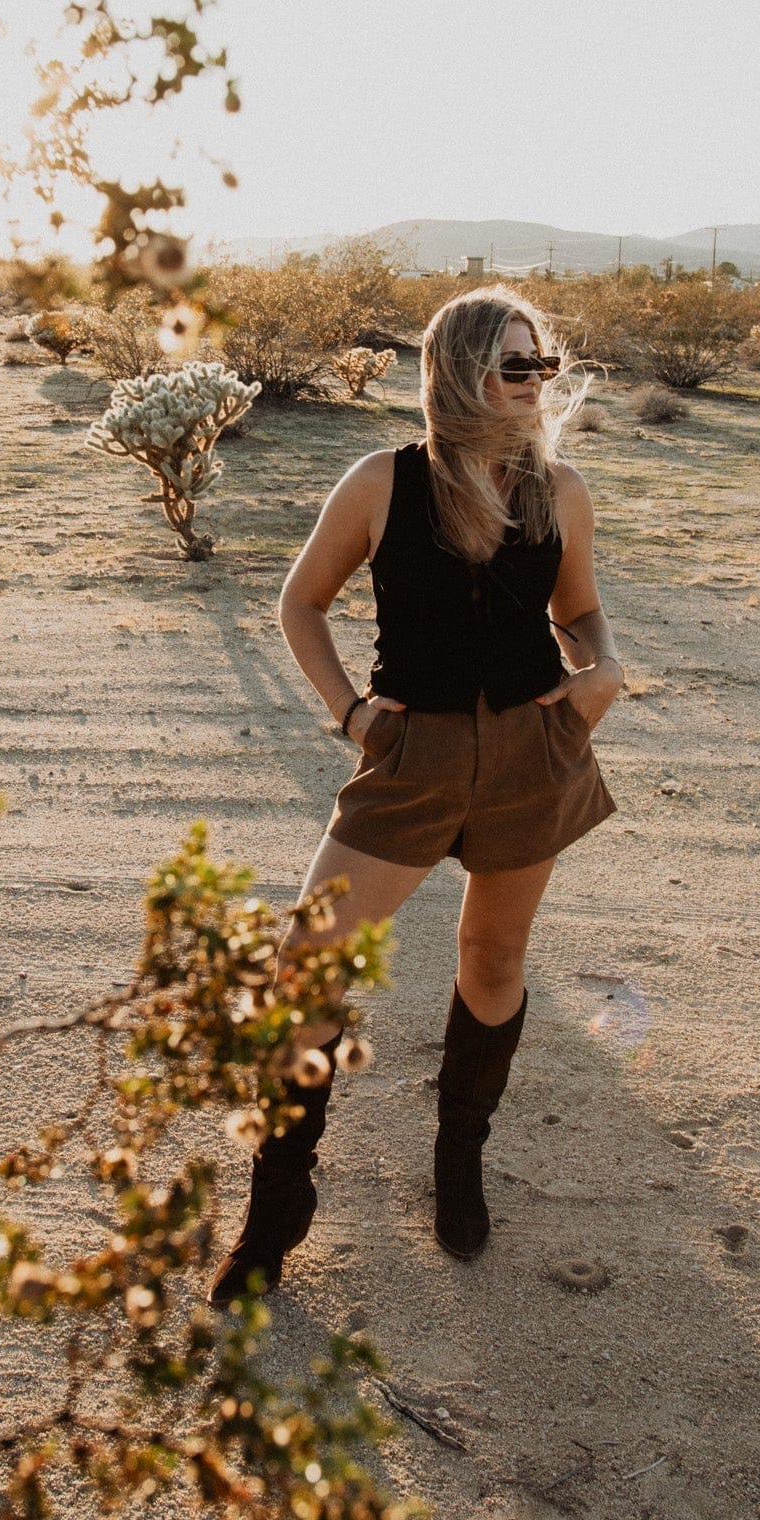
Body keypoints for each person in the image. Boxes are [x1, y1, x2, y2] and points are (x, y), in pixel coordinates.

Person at [209, 285, 622, 1308]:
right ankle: (280, 1199)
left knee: (491, 957)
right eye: (515, 364)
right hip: (410, 754)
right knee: (305, 964)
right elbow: (301, 601)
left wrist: (602, 671)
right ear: (461, 370)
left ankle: (458, 1159)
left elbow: (582, 614)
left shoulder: (559, 489)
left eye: (544, 365)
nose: (536, 383)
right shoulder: (381, 481)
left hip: (533, 747)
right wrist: (351, 713)